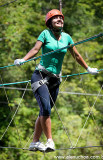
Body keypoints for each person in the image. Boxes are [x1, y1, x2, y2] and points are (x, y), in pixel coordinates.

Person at [14, 9, 98, 152]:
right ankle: (50, 141)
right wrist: (23, 59)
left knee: (44, 110)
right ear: (49, 22)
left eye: (61, 18)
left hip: (55, 80)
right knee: (46, 109)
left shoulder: (67, 38)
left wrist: (87, 68)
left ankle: (34, 142)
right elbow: (35, 49)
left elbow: (76, 55)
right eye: (56, 18)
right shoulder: (45, 34)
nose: (60, 20)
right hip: (40, 76)